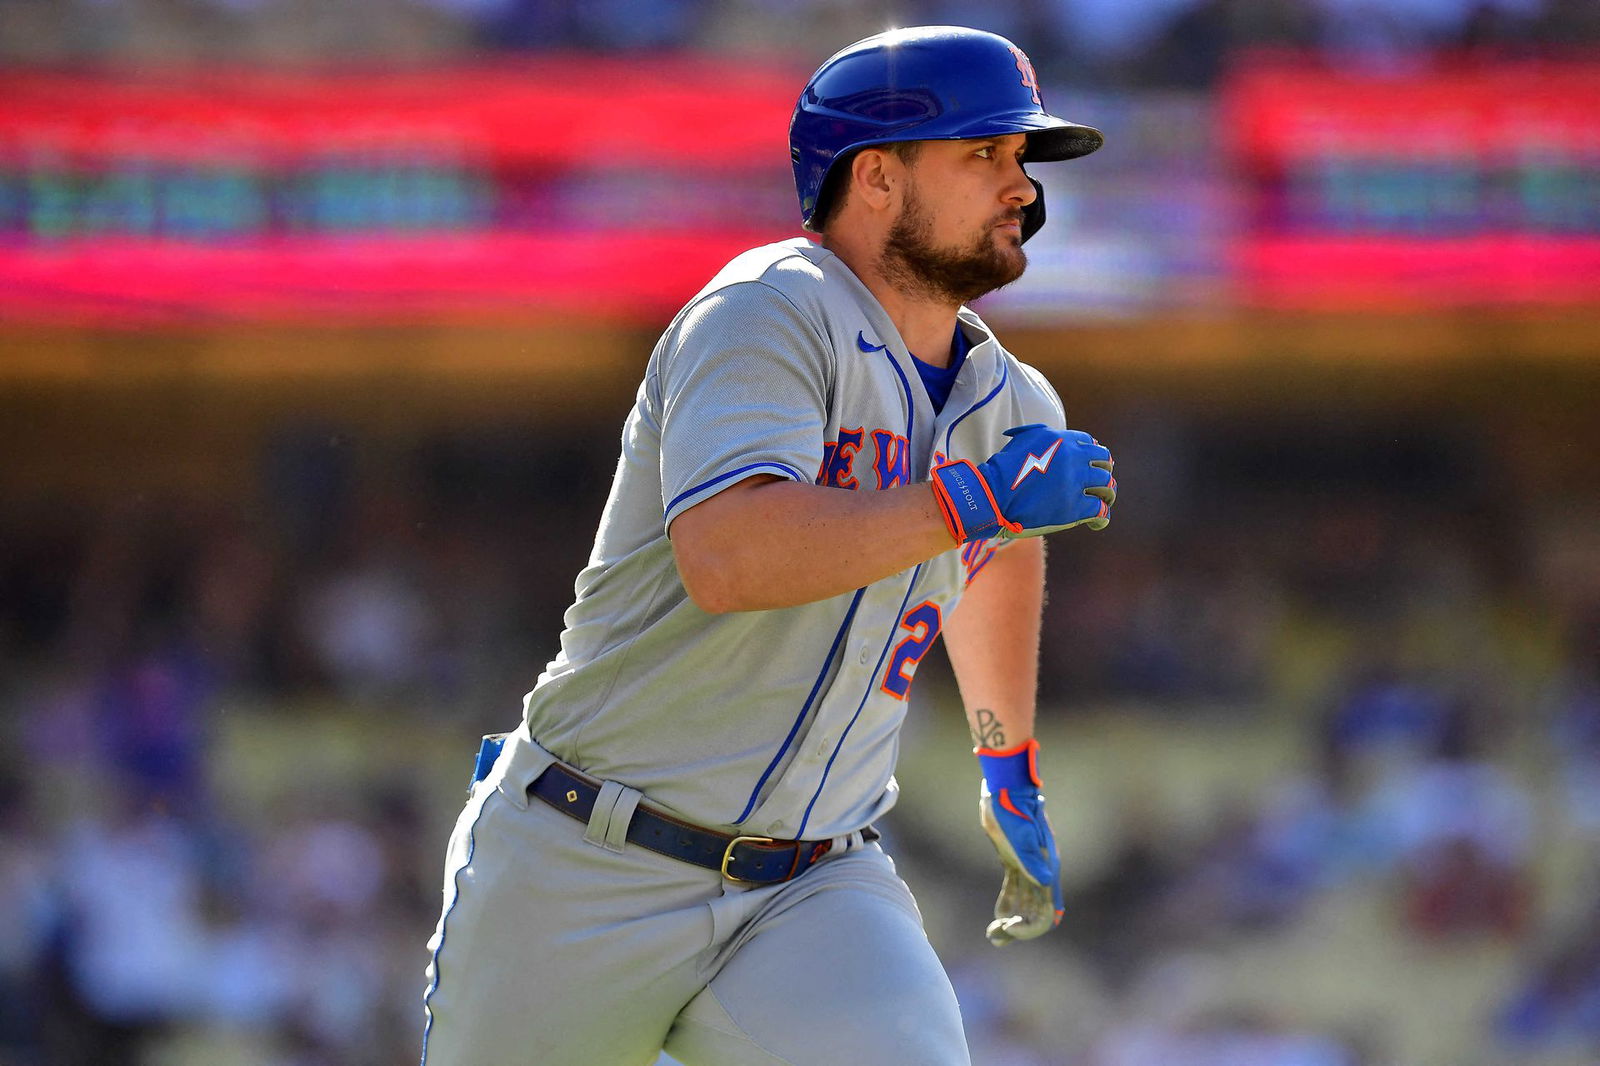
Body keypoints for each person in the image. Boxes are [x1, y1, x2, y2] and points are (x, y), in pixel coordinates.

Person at [421, 25, 1115, 1066]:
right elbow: (730, 558)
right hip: (586, 856)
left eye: (1022, 160)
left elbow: (1000, 553)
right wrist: (972, 499)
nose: (1020, 186)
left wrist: (1004, 756)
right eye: (985, 154)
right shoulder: (768, 309)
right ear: (875, 177)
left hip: (812, 888)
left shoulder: (1012, 398)